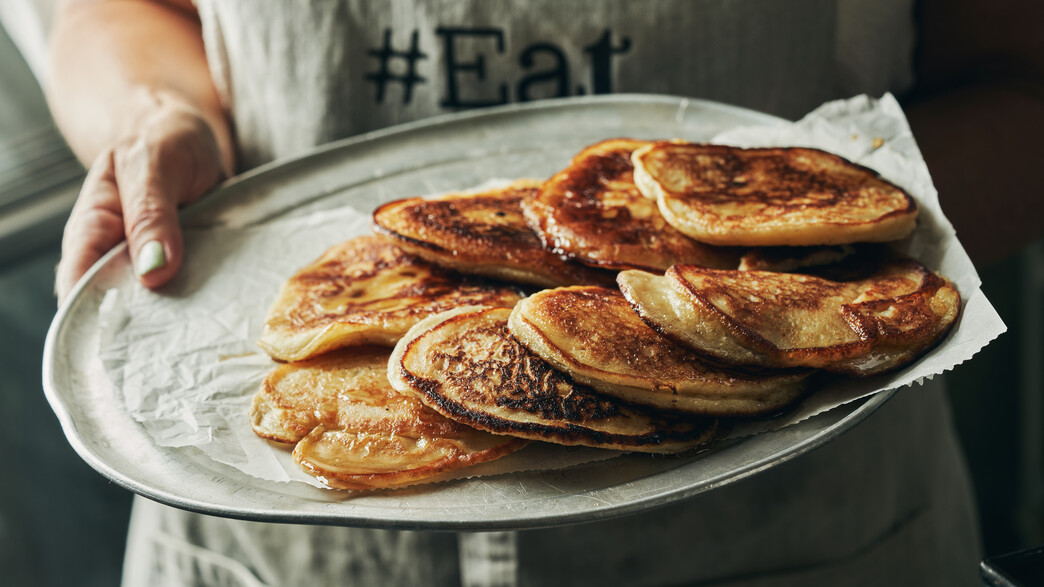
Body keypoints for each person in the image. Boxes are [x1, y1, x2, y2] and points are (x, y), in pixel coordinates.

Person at [46, 0, 1044, 585]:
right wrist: (158, 114)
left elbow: (1017, 78)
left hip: (808, 526)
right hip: (276, 529)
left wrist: (809, 289)